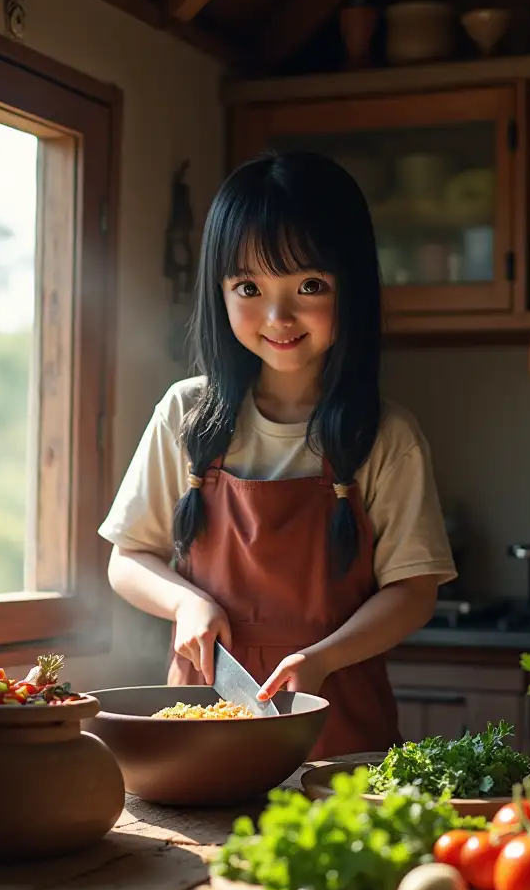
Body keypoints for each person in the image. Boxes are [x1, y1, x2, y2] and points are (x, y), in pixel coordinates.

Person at [98, 150, 456, 759]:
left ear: (352, 288)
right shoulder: (186, 413)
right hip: (200, 726)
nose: (278, 315)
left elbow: (414, 591)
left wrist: (323, 659)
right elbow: (127, 558)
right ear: (219, 293)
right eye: (249, 288)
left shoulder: (386, 435)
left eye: (309, 286)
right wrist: (187, 601)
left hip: (340, 727)